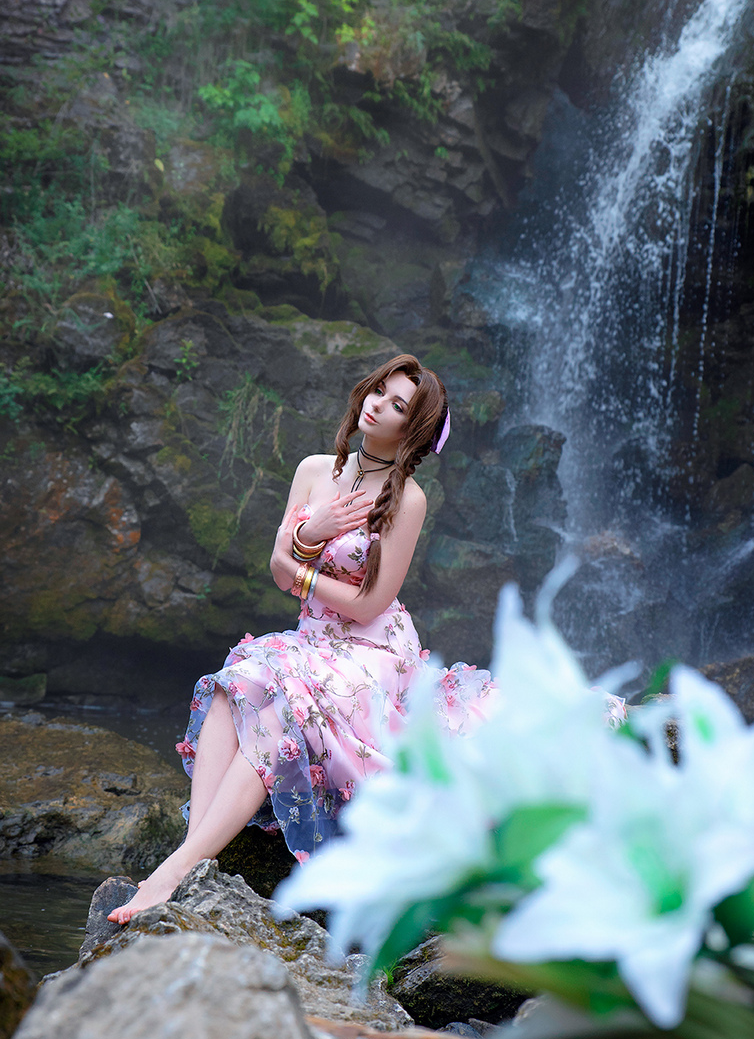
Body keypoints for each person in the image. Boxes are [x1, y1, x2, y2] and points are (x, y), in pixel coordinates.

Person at [107, 354, 495, 924]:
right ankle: (193, 856)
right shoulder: (316, 469)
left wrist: (304, 570)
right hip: (314, 637)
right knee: (230, 685)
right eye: (379, 391)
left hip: (372, 651)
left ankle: (173, 871)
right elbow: (276, 563)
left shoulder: (408, 500)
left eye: (396, 405)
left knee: (281, 709)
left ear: (412, 429)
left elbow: (369, 604)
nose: (376, 404)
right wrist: (312, 535)